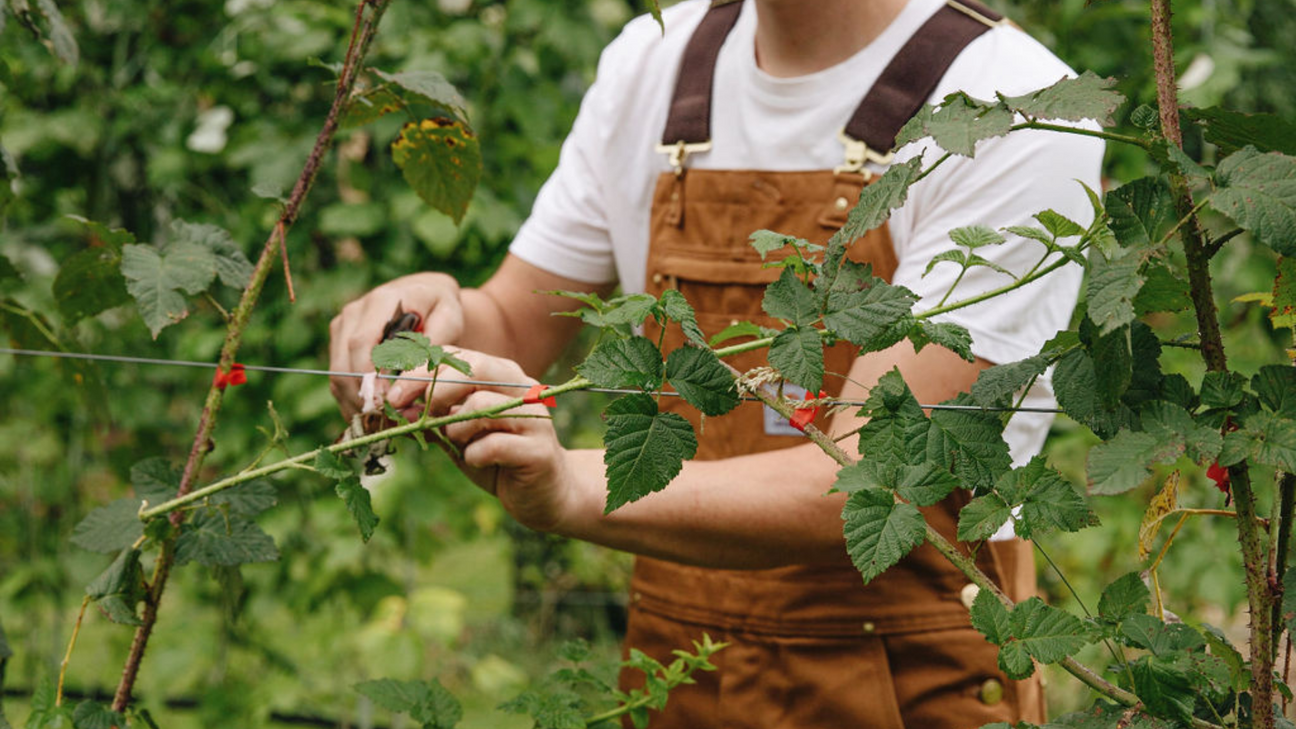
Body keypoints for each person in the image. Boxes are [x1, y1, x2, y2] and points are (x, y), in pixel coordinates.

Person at [330, 0, 1104, 725]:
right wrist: (436, 322)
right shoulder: (657, 60)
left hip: (909, 679)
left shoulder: (1013, 106)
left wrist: (570, 487)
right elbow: (514, 328)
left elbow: (869, 484)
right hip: (678, 669)